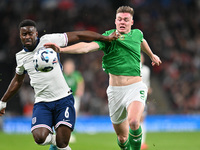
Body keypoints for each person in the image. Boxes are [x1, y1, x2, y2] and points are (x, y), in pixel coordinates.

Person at [45, 6, 162, 150]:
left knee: (133, 122)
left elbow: (142, 41)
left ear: (132, 22)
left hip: (135, 87)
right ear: (115, 21)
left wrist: (151, 55)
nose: (122, 22)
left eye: (126, 19)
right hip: (115, 92)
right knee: (122, 138)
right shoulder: (108, 37)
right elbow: (87, 47)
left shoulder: (137, 34)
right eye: (119, 19)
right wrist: (62, 49)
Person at [0, 19, 118, 150]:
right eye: (24, 34)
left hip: (63, 99)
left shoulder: (49, 40)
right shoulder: (20, 57)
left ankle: (61, 146)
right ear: (20, 36)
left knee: (62, 142)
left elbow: (78, 35)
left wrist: (104, 37)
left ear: (36, 34)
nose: (27, 37)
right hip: (42, 102)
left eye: (30, 33)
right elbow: (18, 80)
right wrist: (3, 101)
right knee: (40, 138)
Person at [62, 58, 85, 143]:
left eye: (70, 66)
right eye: (67, 66)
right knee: (62, 116)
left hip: (74, 97)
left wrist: (80, 90)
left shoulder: (76, 75)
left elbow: (80, 83)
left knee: (73, 115)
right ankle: (60, 133)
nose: (68, 68)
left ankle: (71, 133)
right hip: (64, 98)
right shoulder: (62, 75)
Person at [140, 53, 152, 150]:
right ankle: (141, 142)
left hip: (141, 97)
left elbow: (147, 86)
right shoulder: (145, 70)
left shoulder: (146, 70)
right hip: (136, 96)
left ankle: (142, 142)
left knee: (140, 120)